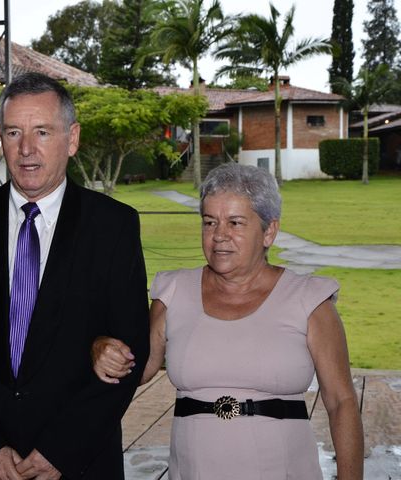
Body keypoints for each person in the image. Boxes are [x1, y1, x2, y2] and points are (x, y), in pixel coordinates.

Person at [0, 72, 150, 480]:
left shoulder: (114, 227)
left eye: (42, 131)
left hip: (78, 464)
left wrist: (62, 450)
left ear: (72, 139)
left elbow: (129, 352)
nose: (26, 149)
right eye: (12, 132)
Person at [92, 163, 364, 479]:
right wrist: (100, 348)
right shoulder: (174, 292)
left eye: (235, 223)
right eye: (210, 222)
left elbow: (341, 402)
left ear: (269, 231)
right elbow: (136, 368)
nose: (219, 235)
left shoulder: (310, 300)